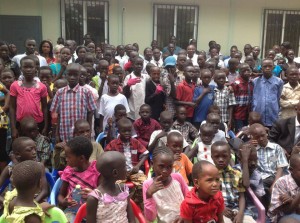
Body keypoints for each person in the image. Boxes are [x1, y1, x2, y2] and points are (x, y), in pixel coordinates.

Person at [50, 63, 97, 142]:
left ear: (79, 76)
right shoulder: (60, 92)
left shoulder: (86, 92)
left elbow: (90, 113)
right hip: (64, 133)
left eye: (75, 75)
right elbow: (58, 115)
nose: (72, 77)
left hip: (81, 134)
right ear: (66, 75)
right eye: (69, 75)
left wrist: (89, 133)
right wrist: (57, 134)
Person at [211, 141, 255, 223]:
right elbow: (209, 197)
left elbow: (241, 195)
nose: (220, 160)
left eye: (224, 156)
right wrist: (222, 208)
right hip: (219, 210)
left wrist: (240, 213)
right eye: (217, 157)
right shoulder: (210, 175)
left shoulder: (236, 173)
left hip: (237, 210)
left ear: (230, 157)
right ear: (212, 157)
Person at [58, 136, 100, 222]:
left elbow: (104, 195)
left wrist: (93, 194)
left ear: (81, 158)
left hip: (92, 211)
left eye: (68, 157)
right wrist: (64, 202)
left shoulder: (96, 171)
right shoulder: (68, 171)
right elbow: (60, 195)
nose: (66, 159)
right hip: (73, 211)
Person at [86, 151, 135, 223]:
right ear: (115, 172)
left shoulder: (123, 189)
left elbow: (131, 219)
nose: (127, 169)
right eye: (124, 166)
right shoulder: (94, 198)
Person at [143, 146, 189, 222]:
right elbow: (150, 218)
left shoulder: (177, 178)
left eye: (169, 167)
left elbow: (188, 198)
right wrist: (149, 194)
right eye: (161, 166)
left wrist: (183, 215)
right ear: (152, 164)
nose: (165, 171)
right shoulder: (148, 185)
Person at [0, 137, 48, 205]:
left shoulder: (39, 166)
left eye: (35, 149)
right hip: (15, 204)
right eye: (29, 150)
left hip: (37, 202)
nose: (34, 152)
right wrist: (7, 203)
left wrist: (31, 204)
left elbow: (44, 191)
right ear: (18, 154)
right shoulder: (10, 169)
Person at [250, 123, 288, 208]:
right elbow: (251, 167)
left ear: (267, 133)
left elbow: (280, 167)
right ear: (252, 137)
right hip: (262, 178)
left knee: (277, 187)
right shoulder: (253, 150)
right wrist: (252, 149)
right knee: (260, 186)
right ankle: (267, 209)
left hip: (277, 176)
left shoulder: (276, 148)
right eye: (257, 137)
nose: (261, 139)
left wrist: (275, 183)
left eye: (263, 135)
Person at [10, 56, 48, 140]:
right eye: (25, 67)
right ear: (20, 68)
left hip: (38, 123)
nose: (28, 69)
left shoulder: (41, 87)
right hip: (20, 124)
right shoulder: (15, 85)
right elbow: (12, 107)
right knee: (22, 147)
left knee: (38, 147)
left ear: (36, 68)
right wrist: (13, 128)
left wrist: (45, 126)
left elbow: (45, 107)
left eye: (31, 67)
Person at [235, 143, 265, 221]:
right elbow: (246, 184)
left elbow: (259, 199)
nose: (253, 163)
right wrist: (245, 161)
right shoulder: (234, 171)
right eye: (249, 160)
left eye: (255, 160)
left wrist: (251, 192)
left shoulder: (257, 174)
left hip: (252, 209)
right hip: (237, 208)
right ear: (239, 159)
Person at [268, 153, 300, 222]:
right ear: (291, 170)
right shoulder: (282, 183)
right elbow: (287, 211)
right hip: (281, 217)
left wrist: (292, 201)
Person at [252, 58, 284, 128]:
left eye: (270, 66)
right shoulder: (255, 81)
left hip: (273, 115)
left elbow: (279, 98)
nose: (267, 68)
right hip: (258, 115)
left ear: (273, 67)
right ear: (261, 68)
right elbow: (253, 98)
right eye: (265, 66)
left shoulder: (279, 82)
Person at [231, 63, 253, 132]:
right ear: (239, 72)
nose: (246, 72)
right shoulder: (236, 84)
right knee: (240, 133)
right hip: (238, 114)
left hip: (248, 113)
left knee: (248, 132)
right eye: (244, 71)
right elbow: (232, 100)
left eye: (248, 70)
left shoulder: (251, 82)